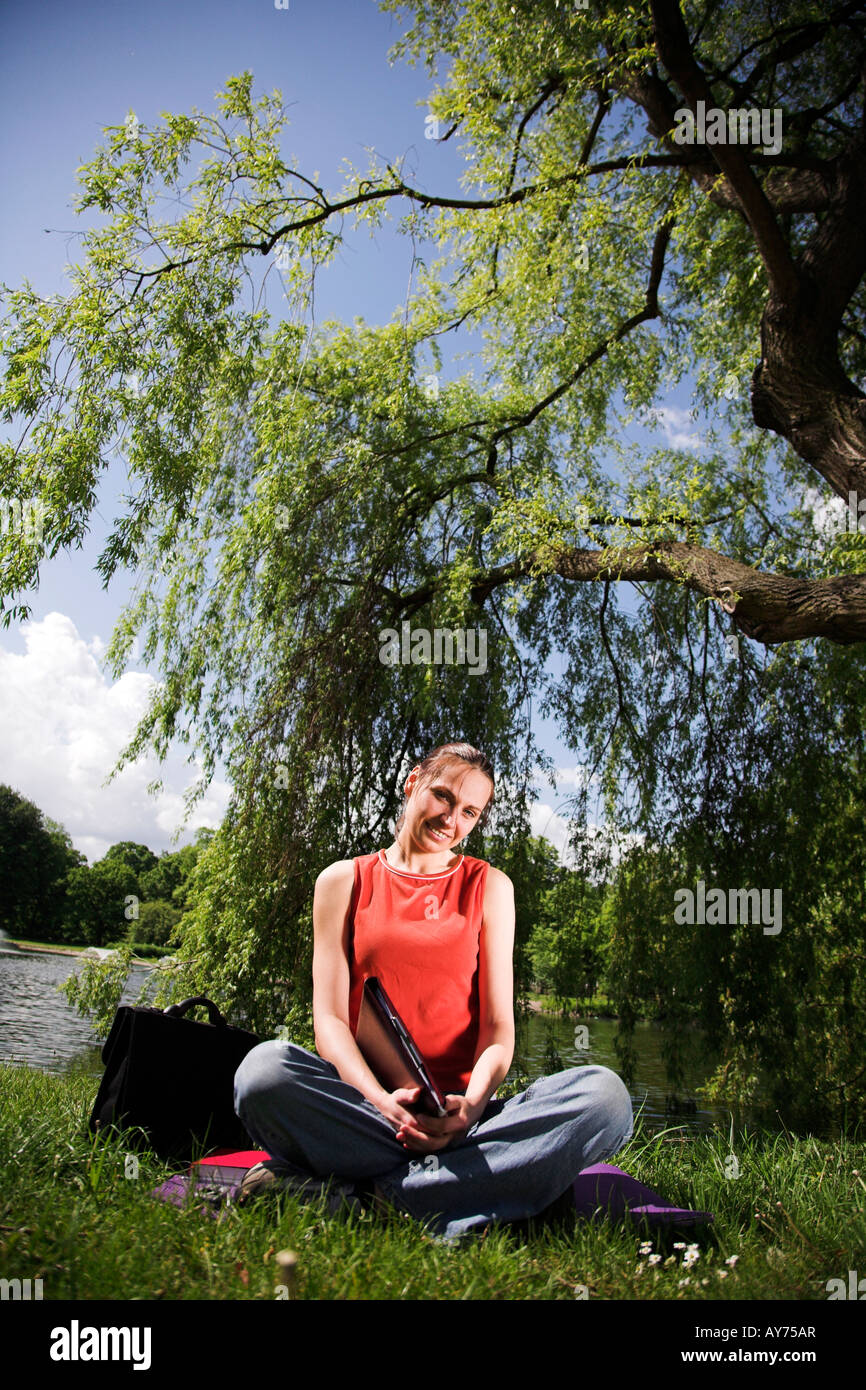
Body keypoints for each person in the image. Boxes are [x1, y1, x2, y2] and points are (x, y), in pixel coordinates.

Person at [233, 741, 633, 1240]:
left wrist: (466, 1113)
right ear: (412, 782)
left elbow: (497, 1030)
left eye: (470, 811)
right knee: (263, 1073)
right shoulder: (342, 881)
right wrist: (383, 1102)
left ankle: (370, 1200)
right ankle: (482, 1189)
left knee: (604, 1098)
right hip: (368, 1114)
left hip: (466, 1119)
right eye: (443, 796)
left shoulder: (491, 887)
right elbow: (331, 1023)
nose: (452, 820)